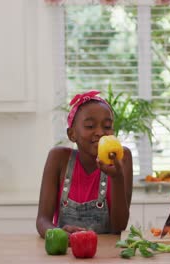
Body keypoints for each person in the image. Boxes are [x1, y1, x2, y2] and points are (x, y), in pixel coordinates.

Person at [36, 90, 132, 238]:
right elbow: (42, 220)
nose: (100, 132)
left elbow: (119, 226)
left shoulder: (122, 158)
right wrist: (58, 234)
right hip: (66, 251)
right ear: (72, 134)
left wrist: (117, 178)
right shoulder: (58, 159)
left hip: (106, 254)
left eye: (107, 127)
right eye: (90, 126)